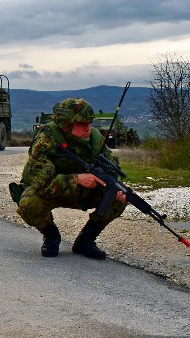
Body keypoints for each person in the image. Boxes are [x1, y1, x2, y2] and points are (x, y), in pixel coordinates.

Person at [16, 98, 127, 259]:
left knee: (116, 198)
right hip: (51, 191)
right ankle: (52, 236)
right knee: (29, 203)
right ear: (66, 125)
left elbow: (112, 170)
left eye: (90, 123)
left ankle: (86, 241)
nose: (88, 128)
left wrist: (117, 190)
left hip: (85, 192)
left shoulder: (95, 139)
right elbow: (43, 185)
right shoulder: (46, 139)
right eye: (82, 124)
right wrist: (77, 179)